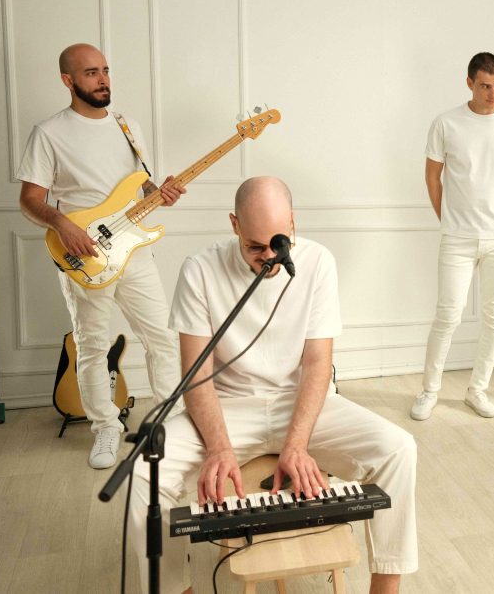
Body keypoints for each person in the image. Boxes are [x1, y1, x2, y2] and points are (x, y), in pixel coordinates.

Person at [129, 176, 417, 594]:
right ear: (234, 225)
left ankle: (384, 589)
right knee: (143, 472)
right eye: (255, 247)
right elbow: (196, 374)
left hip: (299, 404)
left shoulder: (318, 262)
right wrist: (219, 447)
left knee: (399, 449)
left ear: (293, 221)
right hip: (227, 408)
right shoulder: (200, 270)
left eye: (277, 243)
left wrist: (297, 445)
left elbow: (317, 364)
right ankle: (176, 590)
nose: (269, 256)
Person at [17, 43, 185, 469]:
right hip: (86, 252)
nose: (103, 79)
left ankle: (172, 421)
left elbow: (141, 187)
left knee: (162, 338)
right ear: (68, 80)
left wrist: (160, 193)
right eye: (91, 72)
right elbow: (30, 199)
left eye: (105, 70)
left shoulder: (127, 126)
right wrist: (62, 224)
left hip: (134, 251)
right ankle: (105, 427)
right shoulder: (48, 133)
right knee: (92, 344)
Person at [410, 52, 494, 420]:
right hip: (458, 237)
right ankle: (429, 391)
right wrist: (446, 218)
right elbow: (432, 176)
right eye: (485, 86)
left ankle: (477, 389)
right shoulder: (446, 123)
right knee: (447, 315)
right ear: (469, 83)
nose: (493, 93)